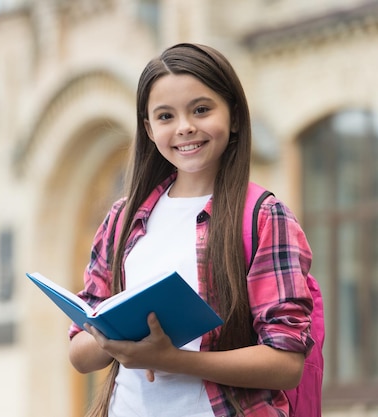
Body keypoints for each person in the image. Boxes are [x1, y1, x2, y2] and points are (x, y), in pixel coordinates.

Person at [67, 43, 315, 417]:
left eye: (201, 109)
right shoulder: (122, 219)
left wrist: (173, 359)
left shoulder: (264, 217)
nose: (185, 127)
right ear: (149, 130)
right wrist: (119, 335)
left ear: (233, 116)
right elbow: (80, 355)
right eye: (166, 116)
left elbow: (286, 363)